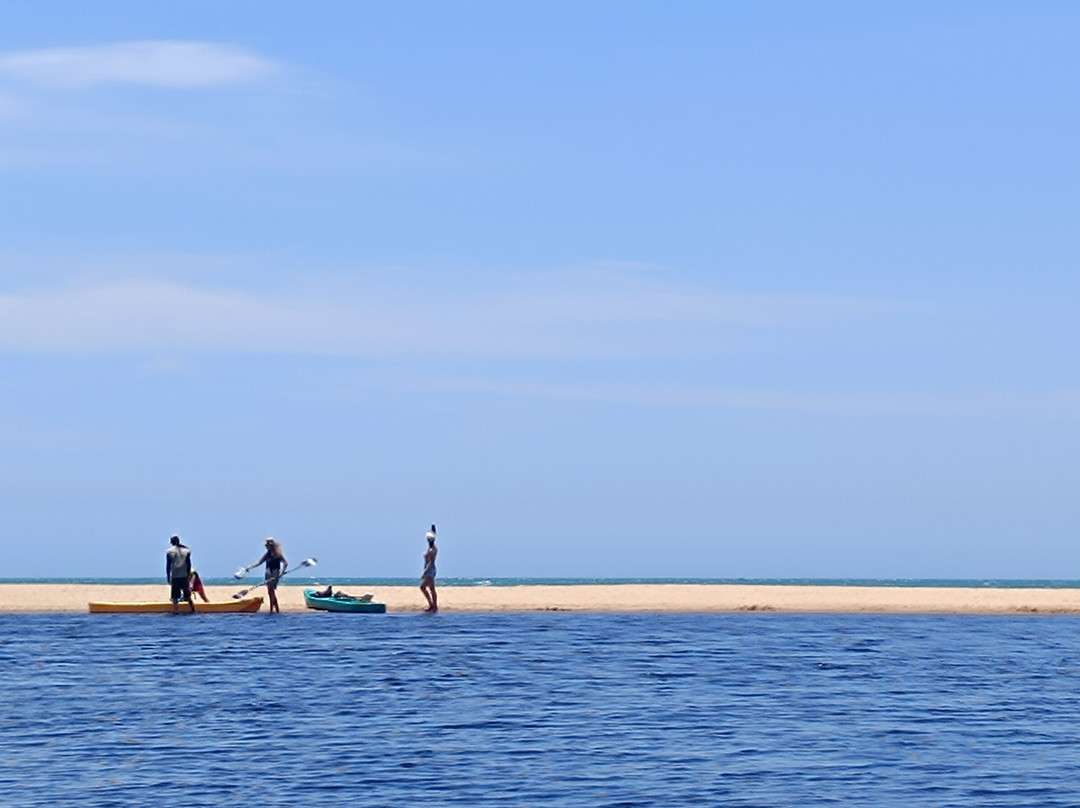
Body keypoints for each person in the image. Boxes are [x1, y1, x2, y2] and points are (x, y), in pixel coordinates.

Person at [249, 537, 288, 613]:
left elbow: (285, 563)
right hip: (268, 573)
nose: (266, 547)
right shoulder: (267, 554)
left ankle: (272, 610)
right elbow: (259, 562)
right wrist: (250, 567)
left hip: (275, 573)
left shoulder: (277, 553)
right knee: (270, 592)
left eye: (267, 545)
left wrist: (282, 572)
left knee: (271, 591)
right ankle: (276, 609)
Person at [165, 535, 195, 614]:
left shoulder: (169, 552)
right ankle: (193, 610)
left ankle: (176, 611)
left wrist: (168, 577)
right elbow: (189, 564)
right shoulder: (186, 551)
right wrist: (188, 575)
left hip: (175, 576)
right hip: (184, 575)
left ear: (171, 542)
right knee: (188, 595)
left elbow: (168, 566)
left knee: (175, 597)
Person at [420, 524, 438, 612]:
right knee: (431, 588)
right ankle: (433, 606)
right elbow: (434, 537)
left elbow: (431, 562)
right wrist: (433, 531)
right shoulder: (431, 548)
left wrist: (425, 572)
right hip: (430, 569)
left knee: (423, 587)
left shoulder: (432, 550)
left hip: (430, 570)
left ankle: (432, 605)